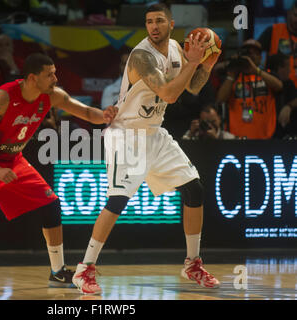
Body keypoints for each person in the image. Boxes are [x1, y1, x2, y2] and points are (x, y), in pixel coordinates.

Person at [0, 53, 118, 293]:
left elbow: (88, 113)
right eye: (50, 74)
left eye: (55, 72)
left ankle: (57, 272)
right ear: (32, 78)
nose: (56, 78)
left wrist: (105, 116)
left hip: (11, 158)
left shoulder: (51, 95)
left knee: (50, 204)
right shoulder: (3, 97)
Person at [72, 3, 221, 294]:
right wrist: (193, 63)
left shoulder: (178, 49)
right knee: (117, 202)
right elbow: (169, 93)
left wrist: (206, 65)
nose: (153, 26)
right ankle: (83, 269)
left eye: (159, 21)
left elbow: (191, 88)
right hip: (125, 134)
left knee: (195, 190)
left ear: (171, 24)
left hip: (153, 132)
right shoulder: (141, 56)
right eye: (149, 21)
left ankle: (192, 263)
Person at [216, 39, 283, 139]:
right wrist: (232, 74)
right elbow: (220, 99)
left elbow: (279, 86)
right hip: (237, 138)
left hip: (266, 137)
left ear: (260, 58)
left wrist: (256, 71)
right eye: (247, 53)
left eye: (255, 53)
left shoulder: (267, 74)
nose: (250, 56)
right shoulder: (233, 77)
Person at [258, 2, 297, 86]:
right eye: (295, 15)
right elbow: (252, 53)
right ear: (289, 13)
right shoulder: (273, 31)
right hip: (277, 89)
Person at [266, 53, 297, 138]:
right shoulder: (264, 83)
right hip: (269, 132)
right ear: (279, 68)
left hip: (287, 132)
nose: (290, 70)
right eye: (287, 66)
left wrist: (289, 106)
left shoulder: (289, 83)